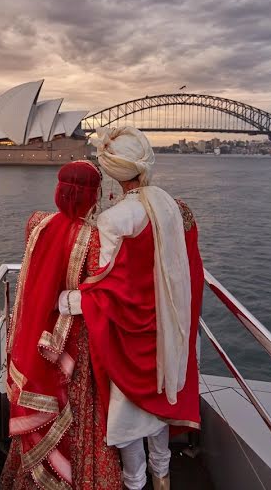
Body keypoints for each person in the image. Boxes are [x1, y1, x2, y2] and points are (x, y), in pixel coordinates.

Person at [61, 127, 204, 490]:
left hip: (131, 339)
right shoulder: (179, 209)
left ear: (113, 173)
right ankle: (164, 478)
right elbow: (190, 272)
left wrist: (67, 301)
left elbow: (108, 286)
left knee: (130, 422)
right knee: (159, 416)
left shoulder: (115, 219)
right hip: (169, 332)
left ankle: (136, 482)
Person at [0, 160, 121, 490]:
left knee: (43, 405)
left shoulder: (36, 223)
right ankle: (76, 477)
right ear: (94, 195)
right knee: (77, 410)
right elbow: (99, 294)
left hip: (35, 335)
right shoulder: (95, 238)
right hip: (71, 339)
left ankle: (33, 479)